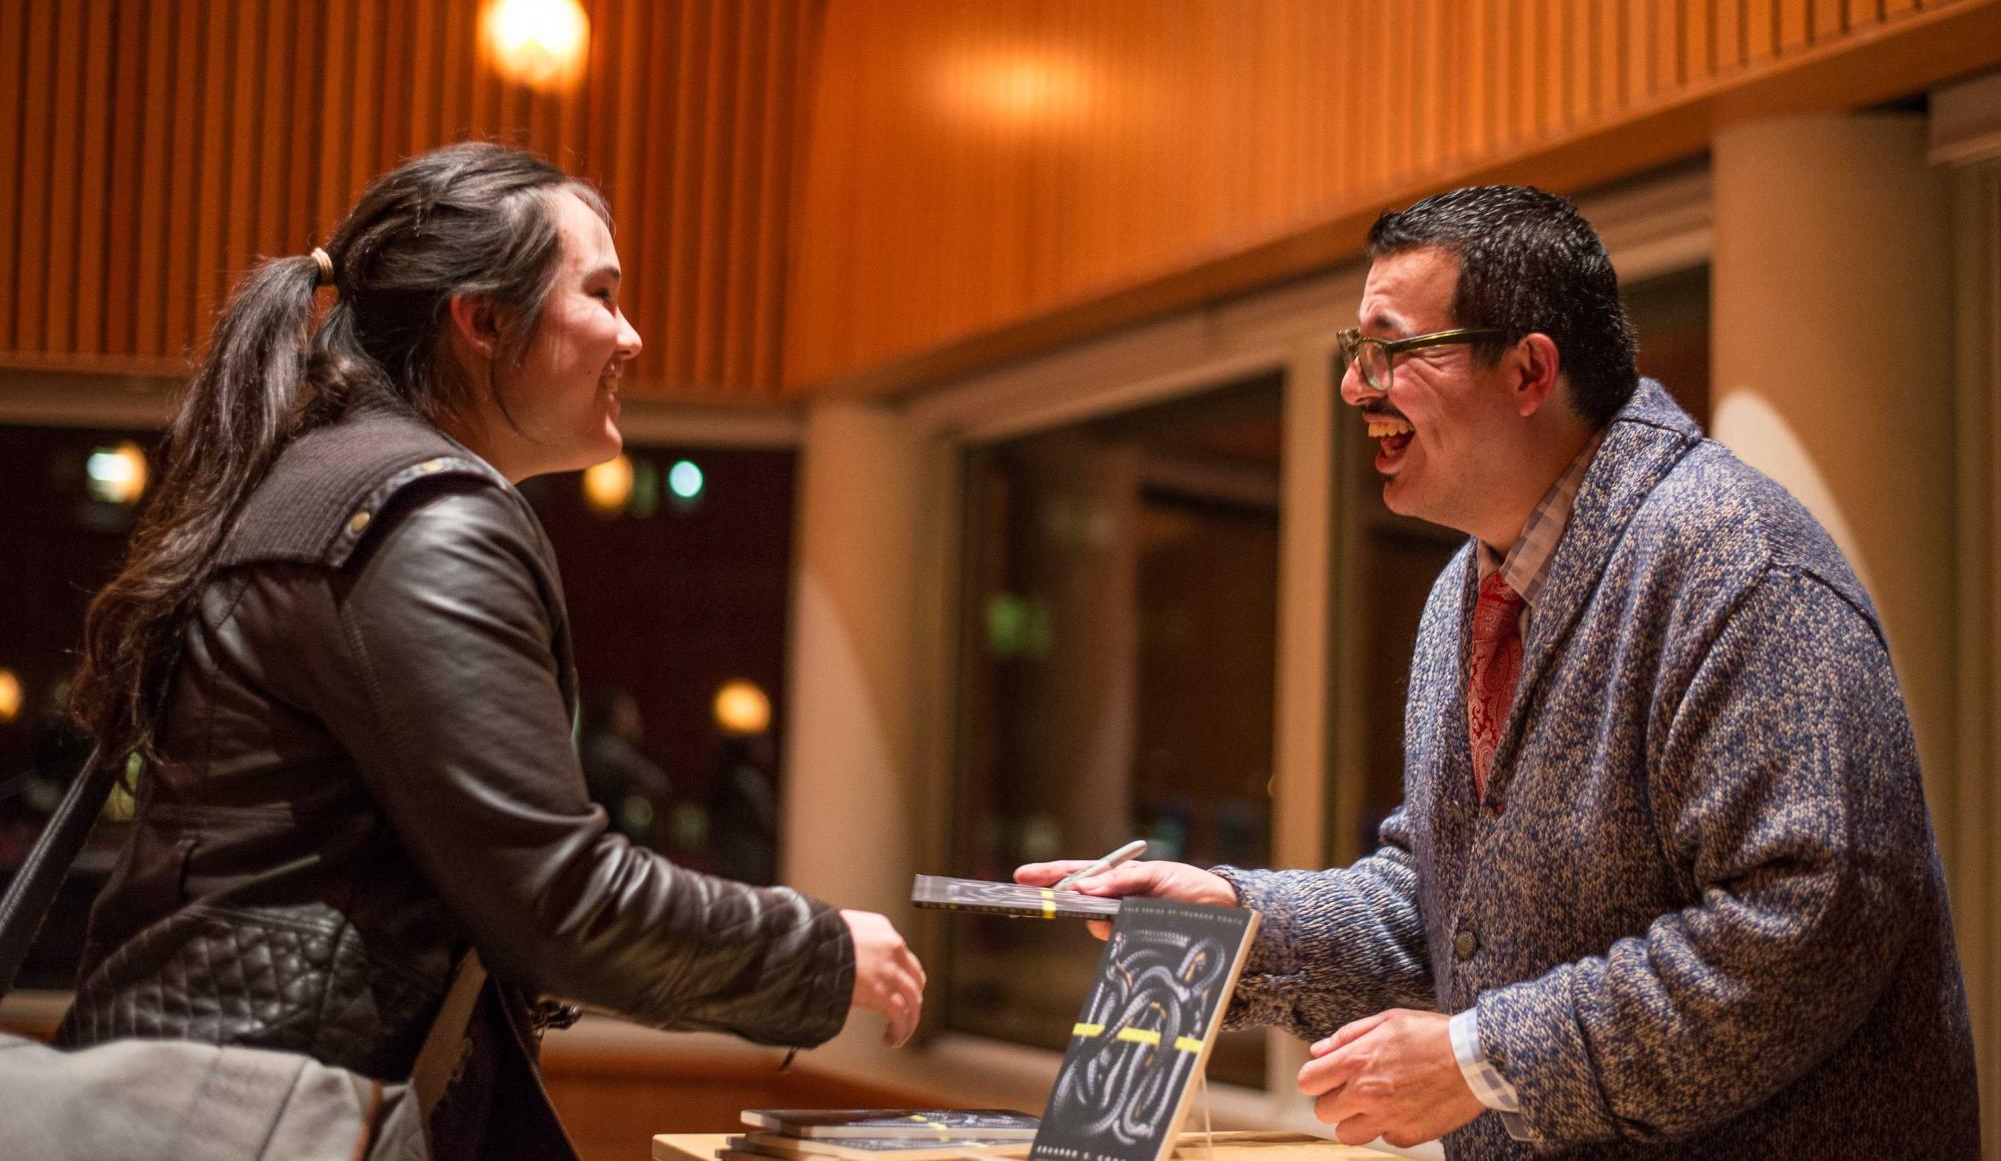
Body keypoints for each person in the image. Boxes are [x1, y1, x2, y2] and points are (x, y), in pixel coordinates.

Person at [1021, 186, 1978, 1157]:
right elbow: (1439, 907)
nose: (1356, 386)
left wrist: (1483, 1059)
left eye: (1391, 348)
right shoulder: (1460, 592)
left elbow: (1803, 923)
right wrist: (1240, 917)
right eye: (1355, 353)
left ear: (1528, 369)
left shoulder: (1734, 557)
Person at [57, 143, 926, 1159]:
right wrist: (820, 950)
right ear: (483, 319)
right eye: (601, 294)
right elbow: (561, 897)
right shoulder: (423, 514)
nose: (632, 335)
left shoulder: (318, 479)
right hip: (276, 1122)